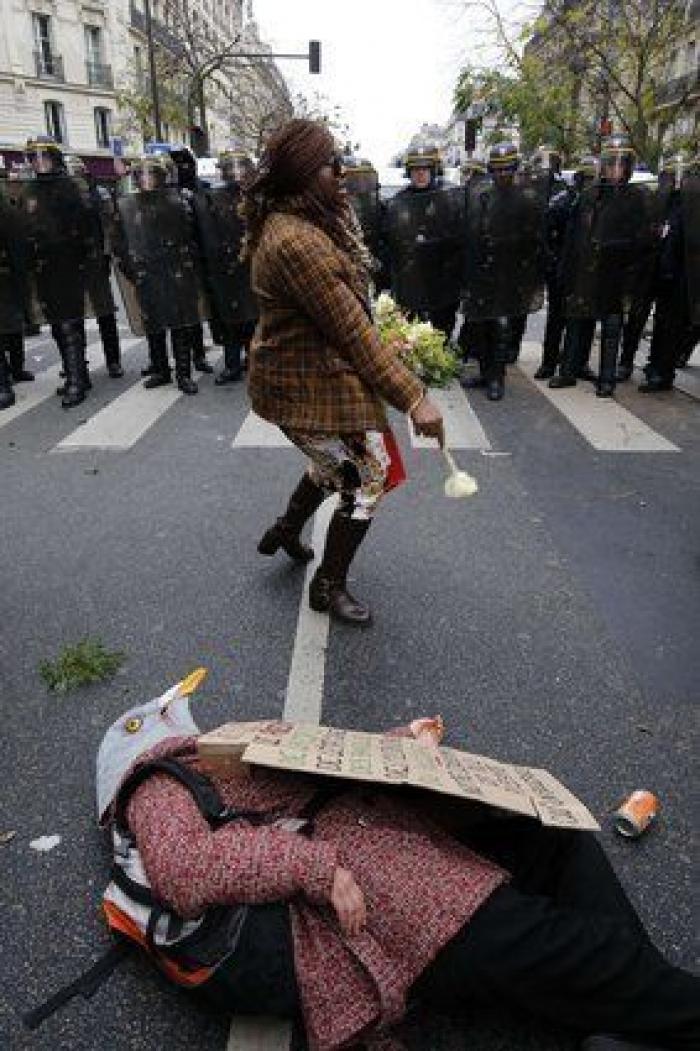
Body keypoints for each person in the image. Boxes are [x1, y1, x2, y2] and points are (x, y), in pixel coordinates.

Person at [88, 689, 699, 1051]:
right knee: (566, 949)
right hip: (387, 899)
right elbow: (185, 871)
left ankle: (628, 1014)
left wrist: (401, 740)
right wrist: (316, 868)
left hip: (392, 842)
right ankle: (651, 1002)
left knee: (557, 838)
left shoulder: (214, 756)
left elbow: (311, 766)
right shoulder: (157, 786)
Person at [244, 119, 444, 626]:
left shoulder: (298, 223)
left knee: (336, 465)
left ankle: (287, 530)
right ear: (304, 173)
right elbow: (352, 333)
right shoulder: (297, 242)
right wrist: (415, 398)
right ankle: (327, 588)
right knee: (365, 477)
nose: (340, 172)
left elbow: (345, 316)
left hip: (311, 375)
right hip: (303, 386)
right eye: (330, 164)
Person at [108, 153, 208, 395]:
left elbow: (194, 234)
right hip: (147, 270)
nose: (145, 179)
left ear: (162, 176)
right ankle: (161, 370)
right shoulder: (129, 204)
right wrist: (129, 268)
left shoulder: (180, 200)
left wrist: (190, 264)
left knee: (180, 324)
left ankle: (183, 373)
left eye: (151, 174)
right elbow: (119, 240)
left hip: (175, 269)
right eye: (141, 174)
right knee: (153, 324)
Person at [462, 142, 546, 401]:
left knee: (500, 327)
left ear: (515, 169)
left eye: (507, 169)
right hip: (481, 272)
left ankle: (497, 378)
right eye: (497, 170)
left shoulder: (526, 198)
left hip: (508, 272)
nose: (502, 175)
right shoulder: (481, 195)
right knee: (480, 326)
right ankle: (486, 373)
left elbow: (533, 239)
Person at [20, 137, 93, 408]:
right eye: (34, 158)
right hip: (42, 266)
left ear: (55, 158)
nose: (39, 162)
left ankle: (76, 381)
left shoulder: (69, 187)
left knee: (69, 323)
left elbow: (85, 226)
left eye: (44, 156)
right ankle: (79, 374)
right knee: (56, 325)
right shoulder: (28, 190)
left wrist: (80, 255)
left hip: (67, 263)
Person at [384, 144, 465, 337]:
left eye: (425, 169)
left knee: (442, 331)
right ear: (408, 172)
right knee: (414, 335)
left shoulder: (450, 197)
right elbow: (391, 240)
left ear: (434, 170)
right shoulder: (399, 201)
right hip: (413, 278)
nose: (420, 174)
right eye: (415, 169)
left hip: (444, 277)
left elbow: (461, 237)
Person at [192, 149, 258, 386]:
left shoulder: (258, 197)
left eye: (240, 167)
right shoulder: (213, 198)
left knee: (253, 320)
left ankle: (254, 363)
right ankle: (232, 365)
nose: (236, 173)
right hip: (225, 268)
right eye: (231, 168)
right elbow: (207, 235)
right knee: (230, 321)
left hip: (252, 266)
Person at [639, 156, 698, 393]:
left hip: (683, 277)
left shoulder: (691, 206)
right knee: (662, 323)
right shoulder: (669, 203)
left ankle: (663, 373)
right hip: (663, 274)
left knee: (673, 327)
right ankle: (655, 365)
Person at [63, 154, 124, 380]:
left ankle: (113, 360)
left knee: (105, 314)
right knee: (73, 317)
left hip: (95, 259)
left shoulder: (99, 194)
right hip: (70, 264)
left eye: (77, 173)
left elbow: (109, 227)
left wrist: (106, 257)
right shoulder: (60, 197)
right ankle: (77, 361)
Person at [531, 146, 575, 380]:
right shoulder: (528, 189)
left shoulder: (565, 192)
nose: (544, 170)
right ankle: (549, 362)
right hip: (540, 258)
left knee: (565, 315)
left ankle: (564, 362)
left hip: (564, 261)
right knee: (554, 316)